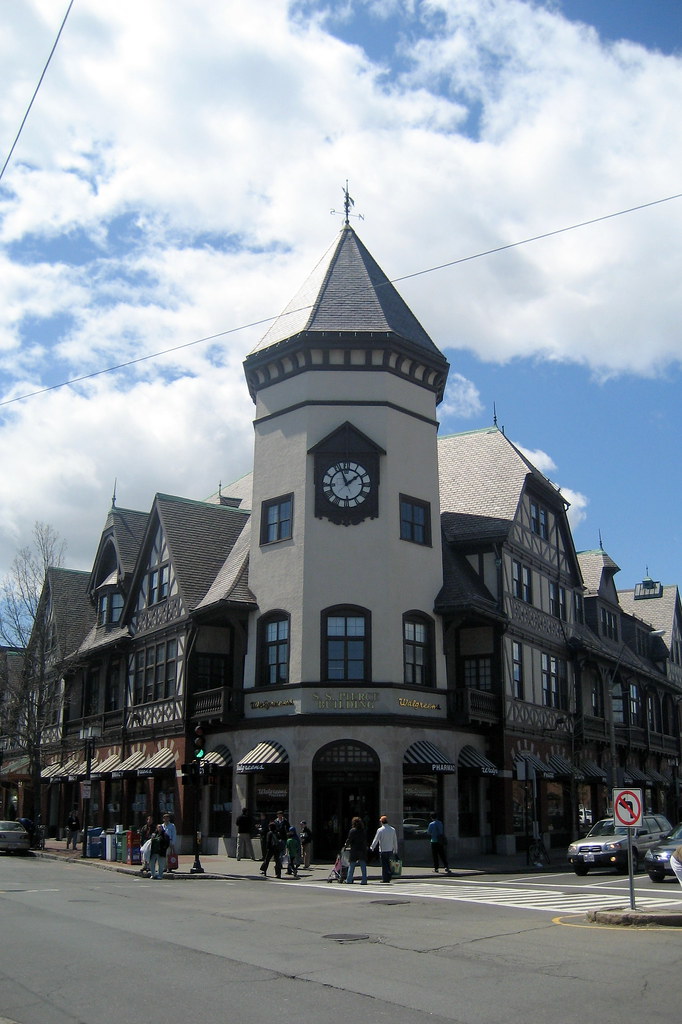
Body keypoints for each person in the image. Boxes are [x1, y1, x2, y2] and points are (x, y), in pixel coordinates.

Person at [370, 814, 398, 883]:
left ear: (382, 822)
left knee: (384, 865)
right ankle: (389, 876)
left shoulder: (380, 830)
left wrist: (372, 847)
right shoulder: (392, 829)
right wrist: (395, 849)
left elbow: (376, 839)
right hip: (390, 850)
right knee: (389, 864)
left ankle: (385, 878)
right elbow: (395, 840)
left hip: (383, 850)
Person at [344, 816, 368, 884]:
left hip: (354, 848)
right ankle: (364, 880)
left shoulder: (352, 830)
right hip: (362, 848)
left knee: (352, 864)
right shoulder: (363, 830)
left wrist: (345, 846)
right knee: (363, 864)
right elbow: (365, 840)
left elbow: (349, 839)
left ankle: (349, 879)